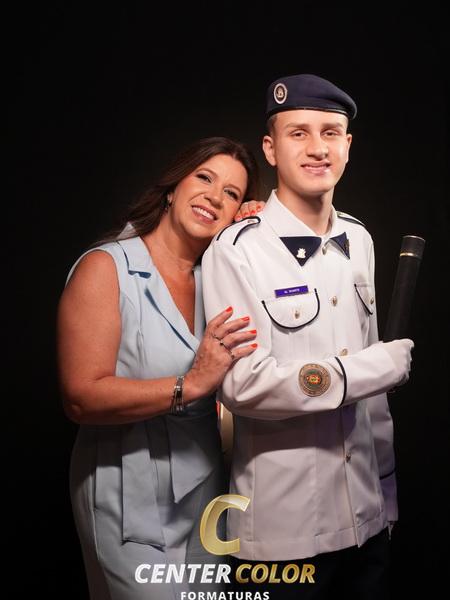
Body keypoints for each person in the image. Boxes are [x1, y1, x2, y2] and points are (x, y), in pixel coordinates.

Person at [201, 74, 414, 599]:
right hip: (283, 536)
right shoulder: (237, 250)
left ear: (348, 145)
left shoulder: (358, 239)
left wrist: (387, 494)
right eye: (298, 133)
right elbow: (243, 386)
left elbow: (376, 398)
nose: (318, 148)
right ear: (271, 149)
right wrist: (363, 372)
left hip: (366, 520)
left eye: (330, 133)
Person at [57, 136, 262, 600]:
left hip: (207, 492)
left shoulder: (219, 279)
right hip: (126, 489)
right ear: (173, 187)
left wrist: (261, 234)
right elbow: (80, 397)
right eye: (204, 178)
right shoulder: (106, 267)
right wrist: (190, 385)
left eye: (232, 193)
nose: (215, 197)